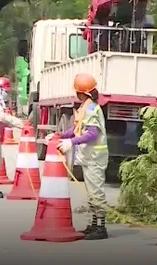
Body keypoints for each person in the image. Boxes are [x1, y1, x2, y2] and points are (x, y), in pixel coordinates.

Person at [48, 73, 109, 240]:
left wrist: (71, 143)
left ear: (81, 93)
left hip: (95, 157)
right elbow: (77, 130)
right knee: (91, 193)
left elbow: (92, 134)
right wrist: (60, 135)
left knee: (96, 192)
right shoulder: (85, 107)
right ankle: (93, 225)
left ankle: (101, 228)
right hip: (90, 157)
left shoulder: (90, 109)